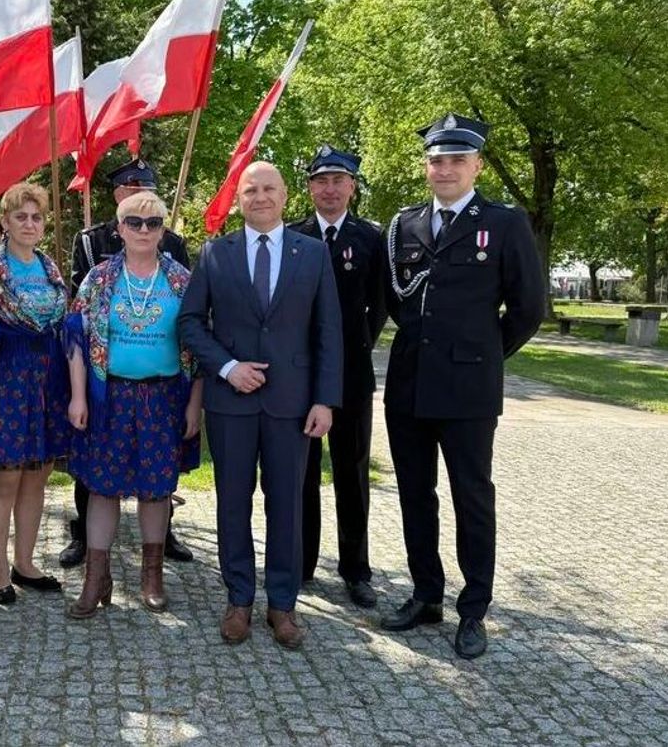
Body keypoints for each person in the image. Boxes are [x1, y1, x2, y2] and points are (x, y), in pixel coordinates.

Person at [380, 112, 544, 659]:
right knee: (414, 494)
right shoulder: (404, 225)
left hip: (468, 389)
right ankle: (426, 593)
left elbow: (528, 308)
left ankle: (473, 609)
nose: (445, 168)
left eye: (456, 159)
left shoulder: (503, 223)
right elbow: (395, 299)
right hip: (409, 384)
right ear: (426, 167)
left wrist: (483, 354)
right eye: (436, 160)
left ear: (475, 165)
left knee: (471, 497)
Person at [178, 161, 342, 649]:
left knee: (288, 506)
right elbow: (190, 323)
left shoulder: (312, 254)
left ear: (286, 195)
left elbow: (328, 332)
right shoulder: (215, 253)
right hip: (231, 402)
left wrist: (325, 400)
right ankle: (239, 600)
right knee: (232, 503)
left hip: (293, 406)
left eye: (269, 188)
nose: (261, 196)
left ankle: (283, 605)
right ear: (239, 198)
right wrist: (227, 368)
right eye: (251, 189)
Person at [64, 190, 203, 618]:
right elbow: (76, 339)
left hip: (163, 397)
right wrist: (78, 395)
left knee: (155, 489)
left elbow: (199, 350)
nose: (144, 230)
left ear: (163, 229)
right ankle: (96, 578)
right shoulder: (100, 278)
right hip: (110, 396)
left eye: (154, 223)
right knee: (103, 488)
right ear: (119, 228)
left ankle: (152, 576)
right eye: (134, 222)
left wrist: (194, 406)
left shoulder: (182, 279)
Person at [287, 145, 388, 607]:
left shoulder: (372, 238)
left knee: (351, 472)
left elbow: (380, 305)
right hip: (301, 376)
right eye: (321, 181)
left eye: (338, 181)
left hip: (350, 377)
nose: (329, 189)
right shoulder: (291, 236)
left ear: (352, 187)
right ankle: (302, 563)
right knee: (302, 473)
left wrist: (352, 349)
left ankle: (356, 570)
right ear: (309, 187)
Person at [0, 182, 72, 604]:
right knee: (6, 476)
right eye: (21, 217)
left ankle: (26, 562)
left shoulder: (50, 267)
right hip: (7, 376)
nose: (30, 224)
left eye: (36, 217)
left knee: (38, 474)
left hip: (48, 379)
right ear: (5, 222)